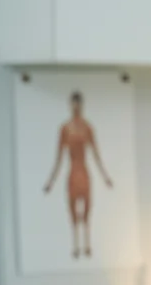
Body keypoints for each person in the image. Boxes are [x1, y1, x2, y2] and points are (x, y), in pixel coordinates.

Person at [42, 90, 112, 259]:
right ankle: (76, 246)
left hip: (84, 173)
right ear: (70, 105)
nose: (76, 107)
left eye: (78, 103)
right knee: (73, 212)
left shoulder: (87, 128)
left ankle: (87, 245)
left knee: (87, 211)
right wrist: (50, 182)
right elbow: (58, 158)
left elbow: (96, 154)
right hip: (72, 173)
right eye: (74, 103)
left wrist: (105, 177)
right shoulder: (65, 129)